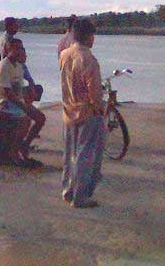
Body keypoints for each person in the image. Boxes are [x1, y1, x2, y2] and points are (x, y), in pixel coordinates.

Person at [59, 19, 105, 208]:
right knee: (86, 156)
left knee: (70, 154)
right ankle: (80, 196)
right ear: (88, 36)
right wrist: (99, 108)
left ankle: (68, 191)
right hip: (86, 112)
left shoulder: (65, 54)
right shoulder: (88, 59)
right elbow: (94, 91)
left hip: (69, 110)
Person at [18, 45, 46, 159]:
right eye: (23, 55)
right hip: (16, 100)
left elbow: (29, 79)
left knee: (38, 88)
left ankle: (25, 143)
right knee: (32, 118)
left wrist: (32, 89)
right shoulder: (11, 67)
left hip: (23, 97)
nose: (26, 57)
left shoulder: (22, 66)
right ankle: (22, 144)